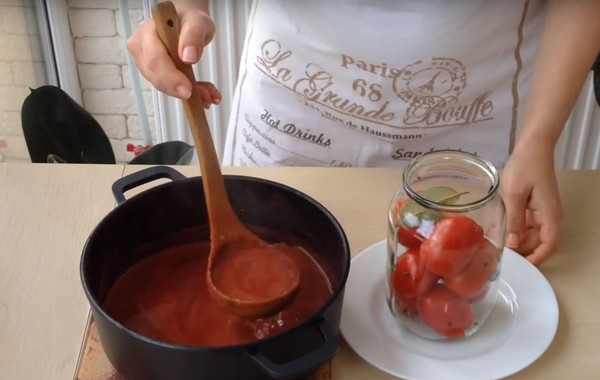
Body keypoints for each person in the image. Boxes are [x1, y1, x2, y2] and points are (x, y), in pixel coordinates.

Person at [127, 0, 600, 266]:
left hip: (463, 128)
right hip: (289, 119)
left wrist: (539, 138)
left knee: (452, 277)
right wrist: (187, 8)